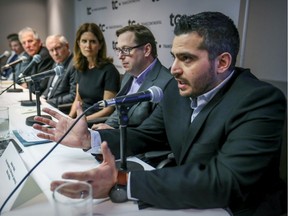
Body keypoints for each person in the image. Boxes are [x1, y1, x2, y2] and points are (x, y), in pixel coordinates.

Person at [33, 12, 287, 215]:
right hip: (188, 199)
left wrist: (122, 180)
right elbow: (146, 135)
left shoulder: (260, 100)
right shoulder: (176, 91)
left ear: (222, 62)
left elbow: (224, 180)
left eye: (186, 59)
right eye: (174, 57)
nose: (174, 69)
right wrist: (91, 139)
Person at [91, 24, 173, 130]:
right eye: (119, 50)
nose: (120, 56)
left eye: (126, 49)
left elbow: (151, 133)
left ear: (147, 50)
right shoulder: (128, 75)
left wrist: (114, 134)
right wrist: (103, 128)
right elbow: (119, 111)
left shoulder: (167, 84)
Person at [68, 23, 120, 121]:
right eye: (84, 41)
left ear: (100, 45)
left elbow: (108, 109)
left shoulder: (109, 70)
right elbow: (77, 100)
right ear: (79, 44)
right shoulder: (80, 67)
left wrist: (81, 121)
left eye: (92, 42)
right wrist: (69, 117)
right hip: (80, 119)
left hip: (96, 121)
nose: (88, 46)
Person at [41, 34, 76, 108]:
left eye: (57, 48)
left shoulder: (74, 65)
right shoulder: (57, 61)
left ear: (67, 46)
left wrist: (49, 102)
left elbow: (73, 96)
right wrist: (42, 97)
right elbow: (50, 87)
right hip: (48, 104)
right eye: (51, 50)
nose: (55, 53)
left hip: (60, 107)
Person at [18, 27, 54, 94]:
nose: (27, 46)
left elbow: (41, 86)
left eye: (30, 41)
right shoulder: (29, 55)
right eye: (24, 43)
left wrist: (26, 87)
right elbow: (23, 77)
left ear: (39, 42)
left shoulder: (43, 56)